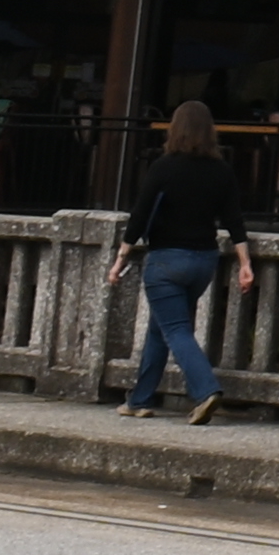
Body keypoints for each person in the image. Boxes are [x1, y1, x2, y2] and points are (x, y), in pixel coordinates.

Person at [115, 100, 252, 423]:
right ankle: (140, 398)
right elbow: (234, 221)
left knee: (175, 328)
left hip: (166, 260)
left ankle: (206, 390)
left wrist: (121, 257)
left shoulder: (163, 167)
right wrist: (245, 263)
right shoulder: (221, 170)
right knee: (161, 327)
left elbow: (140, 215)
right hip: (203, 261)